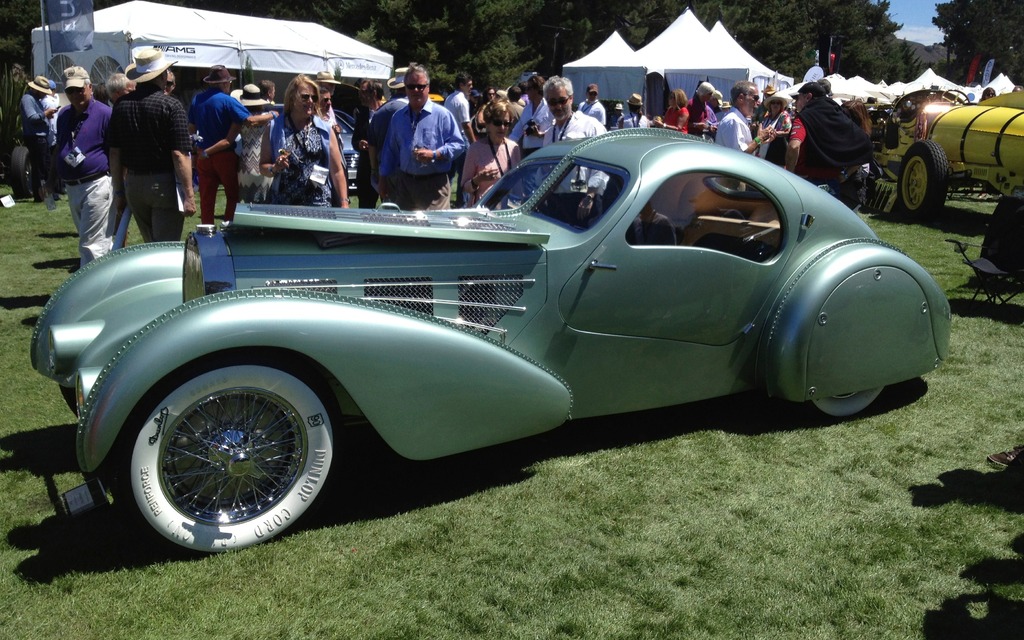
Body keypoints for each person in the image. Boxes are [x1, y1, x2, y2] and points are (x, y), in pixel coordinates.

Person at [109, 47, 196, 242]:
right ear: (164, 75)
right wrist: (189, 195)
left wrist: (118, 190)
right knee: (164, 247)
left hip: (133, 184)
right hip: (163, 184)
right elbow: (179, 154)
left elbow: (115, 153)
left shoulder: (121, 105)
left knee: (150, 245)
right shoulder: (171, 105)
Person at [189, 65, 276, 224]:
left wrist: (196, 153)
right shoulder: (227, 100)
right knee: (232, 195)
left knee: (206, 198)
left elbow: (192, 129)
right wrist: (272, 114)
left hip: (203, 154)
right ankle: (228, 227)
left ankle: (207, 230)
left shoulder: (197, 99)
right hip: (224, 155)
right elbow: (249, 121)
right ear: (224, 83)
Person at [46, 66, 115, 266]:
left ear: (89, 87)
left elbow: (116, 152)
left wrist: (120, 188)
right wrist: (51, 180)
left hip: (97, 184)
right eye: (70, 91)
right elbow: (59, 147)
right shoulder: (65, 114)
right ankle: (108, 284)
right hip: (72, 186)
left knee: (90, 244)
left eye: (79, 89)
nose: (75, 95)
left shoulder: (105, 114)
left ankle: (92, 293)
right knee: (98, 241)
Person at [379, 64, 466, 210]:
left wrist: (435, 154)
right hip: (405, 185)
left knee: (434, 231)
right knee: (405, 230)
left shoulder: (442, 115)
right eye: (411, 86)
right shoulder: (398, 117)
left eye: (420, 86)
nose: (416, 90)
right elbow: (390, 151)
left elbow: (458, 145)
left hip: (435, 187)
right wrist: (382, 179)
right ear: (405, 88)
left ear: (428, 88)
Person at [260, 74, 348, 208]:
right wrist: (275, 168)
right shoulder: (274, 128)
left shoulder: (325, 130)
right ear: (292, 98)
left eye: (314, 97)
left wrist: (344, 202)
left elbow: (337, 171)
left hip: (319, 203)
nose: (311, 101)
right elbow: (263, 167)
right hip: (284, 204)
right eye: (305, 96)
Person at [785, 81, 873, 198]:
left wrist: (788, 177)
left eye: (798, 98)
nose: (796, 103)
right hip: (832, 183)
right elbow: (866, 146)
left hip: (806, 181)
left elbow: (793, 146)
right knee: (827, 216)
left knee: (801, 216)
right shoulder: (838, 114)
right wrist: (846, 174)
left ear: (808, 97)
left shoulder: (804, 117)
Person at [462, 99, 521, 206]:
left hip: (509, 209)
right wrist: (477, 180)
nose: (502, 127)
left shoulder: (514, 147)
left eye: (506, 123)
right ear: (488, 124)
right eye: (498, 123)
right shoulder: (475, 149)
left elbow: (518, 184)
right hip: (484, 209)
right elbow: (465, 187)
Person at [368, 67, 409, 197]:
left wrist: (374, 169)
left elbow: (372, 145)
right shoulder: (411, 110)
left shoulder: (380, 112)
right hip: (407, 170)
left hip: (384, 172)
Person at [21, 75, 57, 202]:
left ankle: (45, 194)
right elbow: (31, 117)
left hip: (40, 138)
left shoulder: (34, 99)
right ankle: (40, 195)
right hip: (35, 138)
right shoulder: (28, 99)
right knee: (39, 168)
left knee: (44, 166)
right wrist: (45, 114)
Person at [236, 84, 274, 204]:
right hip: (264, 162)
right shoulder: (269, 118)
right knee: (264, 204)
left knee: (246, 203)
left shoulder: (241, 119)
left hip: (245, 164)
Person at [715, 81, 775, 155]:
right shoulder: (733, 120)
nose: (758, 103)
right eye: (755, 98)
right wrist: (760, 138)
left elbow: (746, 147)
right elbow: (739, 155)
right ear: (741, 98)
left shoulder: (738, 120)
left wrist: (761, 141)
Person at [443, 73, 476, 207]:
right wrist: (474, 142)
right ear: (461, 85)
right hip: (461, 139)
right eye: (468, 85)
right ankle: (462, 203)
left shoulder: (449, 98)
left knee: (449, 174)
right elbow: (466, 124)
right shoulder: (462, 101)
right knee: (465, 174)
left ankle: (444, 201)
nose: (471, 87)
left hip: (449, 137)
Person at [353, 78, 383, 206]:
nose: (360, 96)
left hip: (384, 170)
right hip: (366, 171)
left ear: (374, 93)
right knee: (365, 208)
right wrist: (359, 144)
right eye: (360, 92)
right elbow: (354, 140)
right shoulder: (361, 114)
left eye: (363, 92)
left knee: (391, 209)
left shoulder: (386, 112)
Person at [838, 99, 873, 210]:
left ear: (856, 117)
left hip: (851, 185)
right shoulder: (842, 131)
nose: (841, 117)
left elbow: (861, 159)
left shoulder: (862, 136)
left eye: (845, 114)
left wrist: (845, 175)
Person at [509, 74, 551, 157]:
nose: (526, 92)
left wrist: (541, 134)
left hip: (543, 151)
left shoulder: (549, 107)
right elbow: (518, 129)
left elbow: (557, 128)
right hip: (527, 151)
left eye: (528, 89)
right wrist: (507, 144)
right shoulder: (527, 109)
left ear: (536, 89)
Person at [758, 92, 793, 166]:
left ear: (781, 106)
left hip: (777, 148)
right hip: (764, 146)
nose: (775, 105)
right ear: (770, 105)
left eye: (778, 103)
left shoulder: (784, 115)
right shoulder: (767, 116)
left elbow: (788, 131)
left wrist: (775, 133)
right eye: (773, 103)